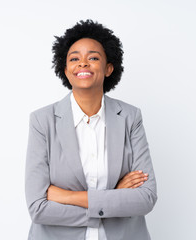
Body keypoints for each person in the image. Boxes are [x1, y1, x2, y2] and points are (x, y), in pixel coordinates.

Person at [25, 19, 157, 240]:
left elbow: (146, 198)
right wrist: (115, 198)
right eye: (74, 58)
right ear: (65, 70)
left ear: (108, 68)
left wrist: (67, 197)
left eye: (93, 57)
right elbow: (38, 208)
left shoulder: (130, 117)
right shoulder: (42, 121)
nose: (83, 63)